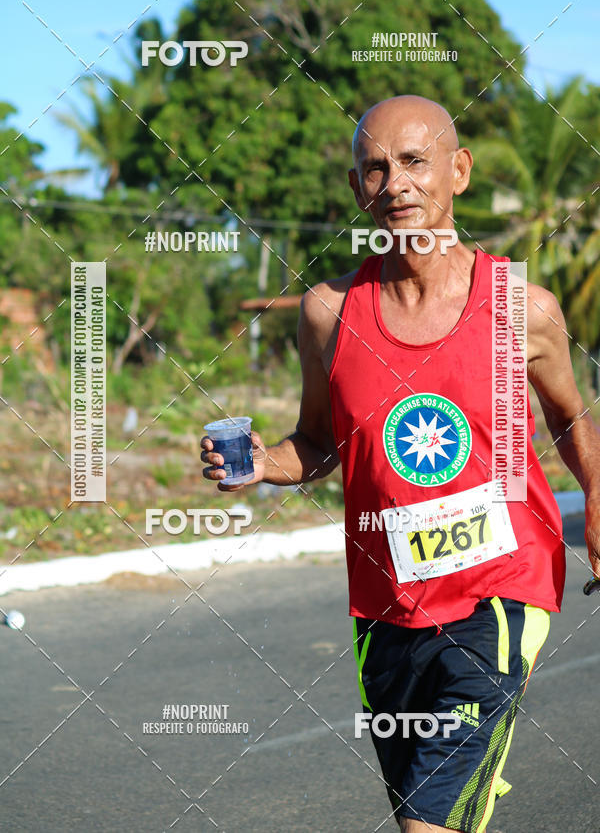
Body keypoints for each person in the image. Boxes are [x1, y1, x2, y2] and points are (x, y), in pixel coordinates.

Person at [201, 95, 600, 832]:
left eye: (415, 162)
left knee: (428, 823)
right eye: (375, 168)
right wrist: (264, 462)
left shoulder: (521, 307)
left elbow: (570, 414)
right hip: (387, 603)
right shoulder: (328, 312)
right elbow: (316, 443)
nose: (396, 184)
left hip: (500, 592)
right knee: (427, 811)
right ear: (357, 189)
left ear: (459, 172)